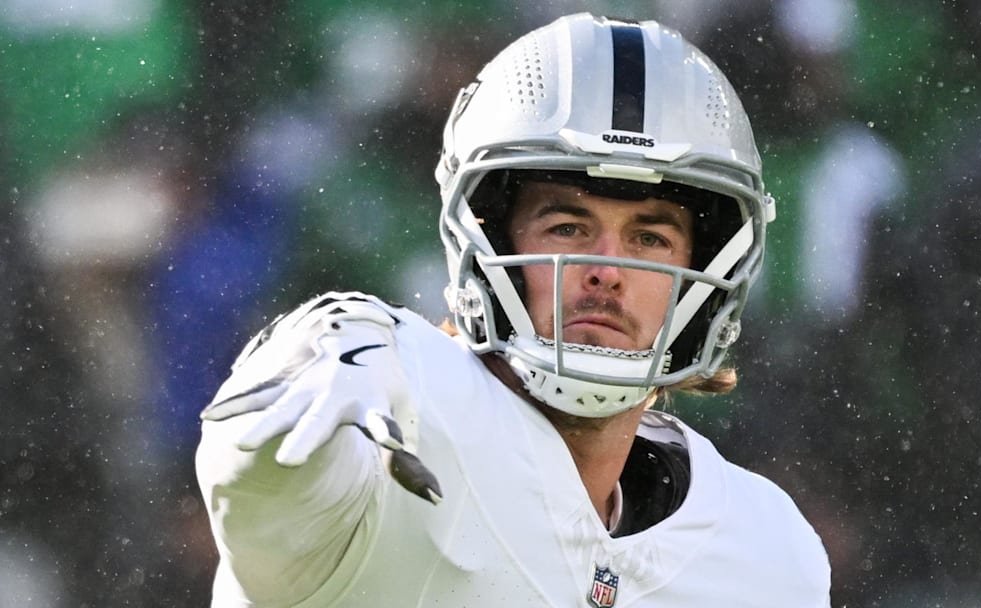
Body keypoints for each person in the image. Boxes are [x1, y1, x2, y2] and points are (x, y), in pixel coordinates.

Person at [196, 13, 831, 607]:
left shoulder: (771, 557)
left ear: (707, 272)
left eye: (649, 238)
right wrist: (303, 362)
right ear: (491, 242)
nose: (607, 270)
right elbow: (256, 484)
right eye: (567, 227)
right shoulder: (388, 417)